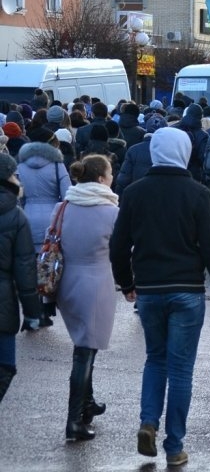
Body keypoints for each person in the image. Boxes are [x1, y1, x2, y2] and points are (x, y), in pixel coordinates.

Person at [110, 127, 210, 467]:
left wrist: (126, 283)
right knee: (181, 369)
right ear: (184, 152)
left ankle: (148, 421)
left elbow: (118, 245)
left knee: (155, 359)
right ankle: (174, 445)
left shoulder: (134, 192)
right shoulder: (197, 193)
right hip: (187, 289)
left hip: (149, 289)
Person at [55, 155, 119, 442]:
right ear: (102, 179)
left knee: (83, 343)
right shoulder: (111, 212)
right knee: (85, 350)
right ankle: (74, 420)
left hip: (67, 281)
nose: (113, 176)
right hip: (96, 281)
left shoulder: (63, 206)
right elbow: (121, 249)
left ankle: (88, 402)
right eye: (110, 172)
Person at [0, 153, 41, 405]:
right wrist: (33, 312)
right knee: (5, 366)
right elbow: (25, 269)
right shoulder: (15, 215)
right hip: (3, 303)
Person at [18, 133, 71, 327]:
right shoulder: (57, 166)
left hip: (27, 216)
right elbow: (67, 194)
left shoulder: (20, 166)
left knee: (29, 266)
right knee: (49, 262)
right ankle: (46, 306)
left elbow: (17, 195)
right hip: (52, 218)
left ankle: (31, 312)